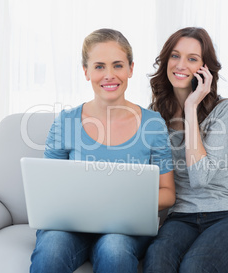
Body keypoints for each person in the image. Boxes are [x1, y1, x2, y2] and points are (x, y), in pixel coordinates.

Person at [30, 28, 175, 273]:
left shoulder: (153, 124)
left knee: (115, 250)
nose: (109, 75)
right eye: (99, 67)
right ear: (86, 71)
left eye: (117, 65)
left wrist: (125, 202)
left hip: (125, 229)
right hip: (70, 227)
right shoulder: (66, 122)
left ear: (130, 69)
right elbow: (48, 191)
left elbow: (168, 193)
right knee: (52, 248)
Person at [143, 27, 228, 273]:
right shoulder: (153, 118)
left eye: (192, 59)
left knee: (195, 266)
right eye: (175, 56)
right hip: (181, 216)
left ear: (205, 69)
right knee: (156, 260)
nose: (180, 64)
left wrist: (191, 107)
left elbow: (199, 178)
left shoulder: (226, 110)